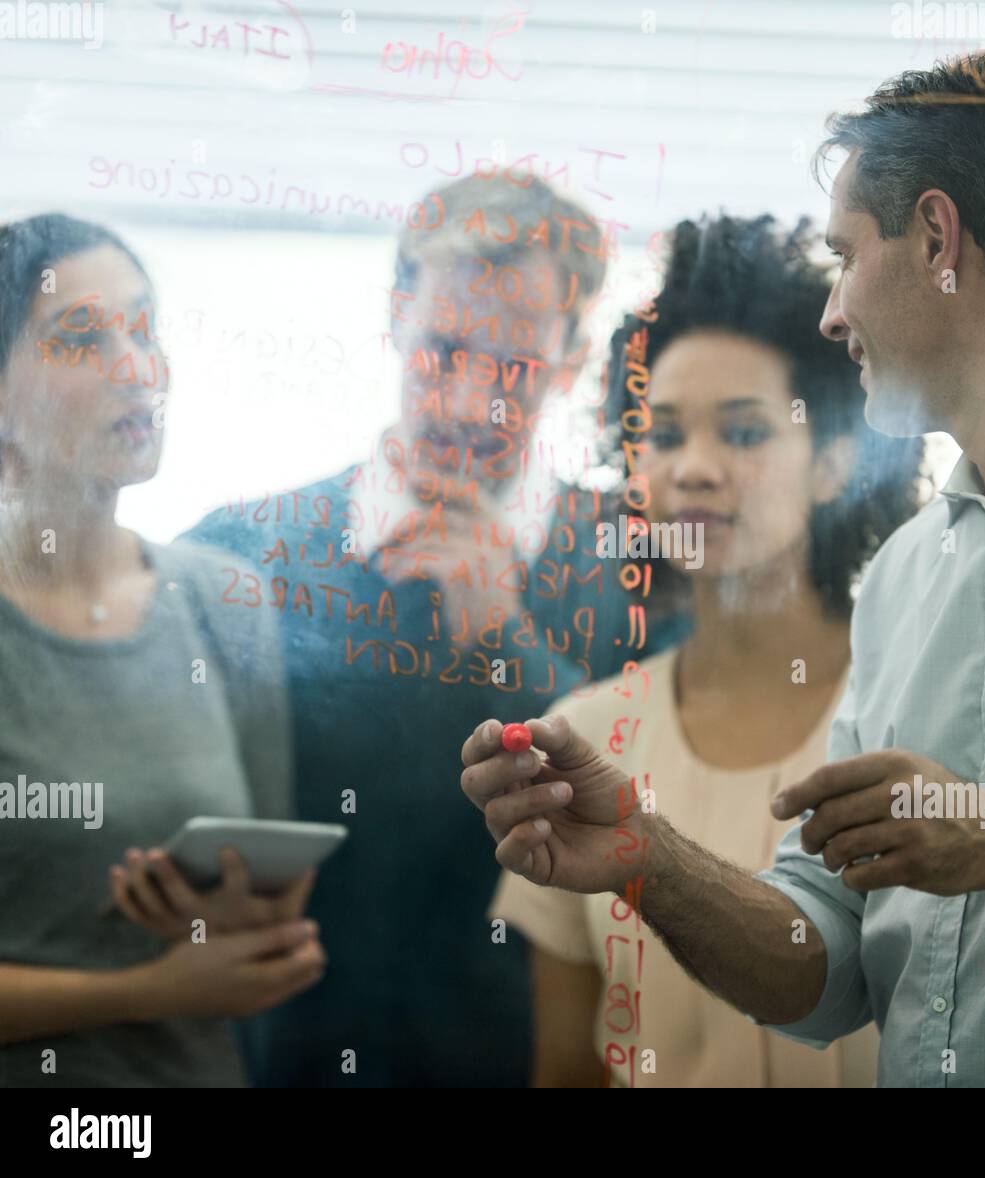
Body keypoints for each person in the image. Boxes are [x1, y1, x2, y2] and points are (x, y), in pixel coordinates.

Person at [461, 51, 985, 1088]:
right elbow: (830, 966)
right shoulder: (907, 572)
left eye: (845, 254)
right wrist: (645, 856)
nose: (830, 313)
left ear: (938, 239)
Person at [183, 174, 679, 1086]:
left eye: (514, 367)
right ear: (396, 317)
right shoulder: (234, 556)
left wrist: (505, 637)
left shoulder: (647, 566)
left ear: (571, 361)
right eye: (444, 351)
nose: (465, 404)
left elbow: (675, 843)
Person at [489, 213, 927, 1087]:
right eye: (665, 434)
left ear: (835, 458)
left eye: (745, 432)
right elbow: (568, 1072)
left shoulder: (921, 701)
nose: (694, 468)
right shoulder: (584, 741)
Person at [0, 213, 323, 1087]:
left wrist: (237, 922)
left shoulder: (226, 600)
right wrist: (150, 987)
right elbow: (178, 982)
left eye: (144, 329)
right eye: (81, 338)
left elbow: (266, 888)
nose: (138, 368)